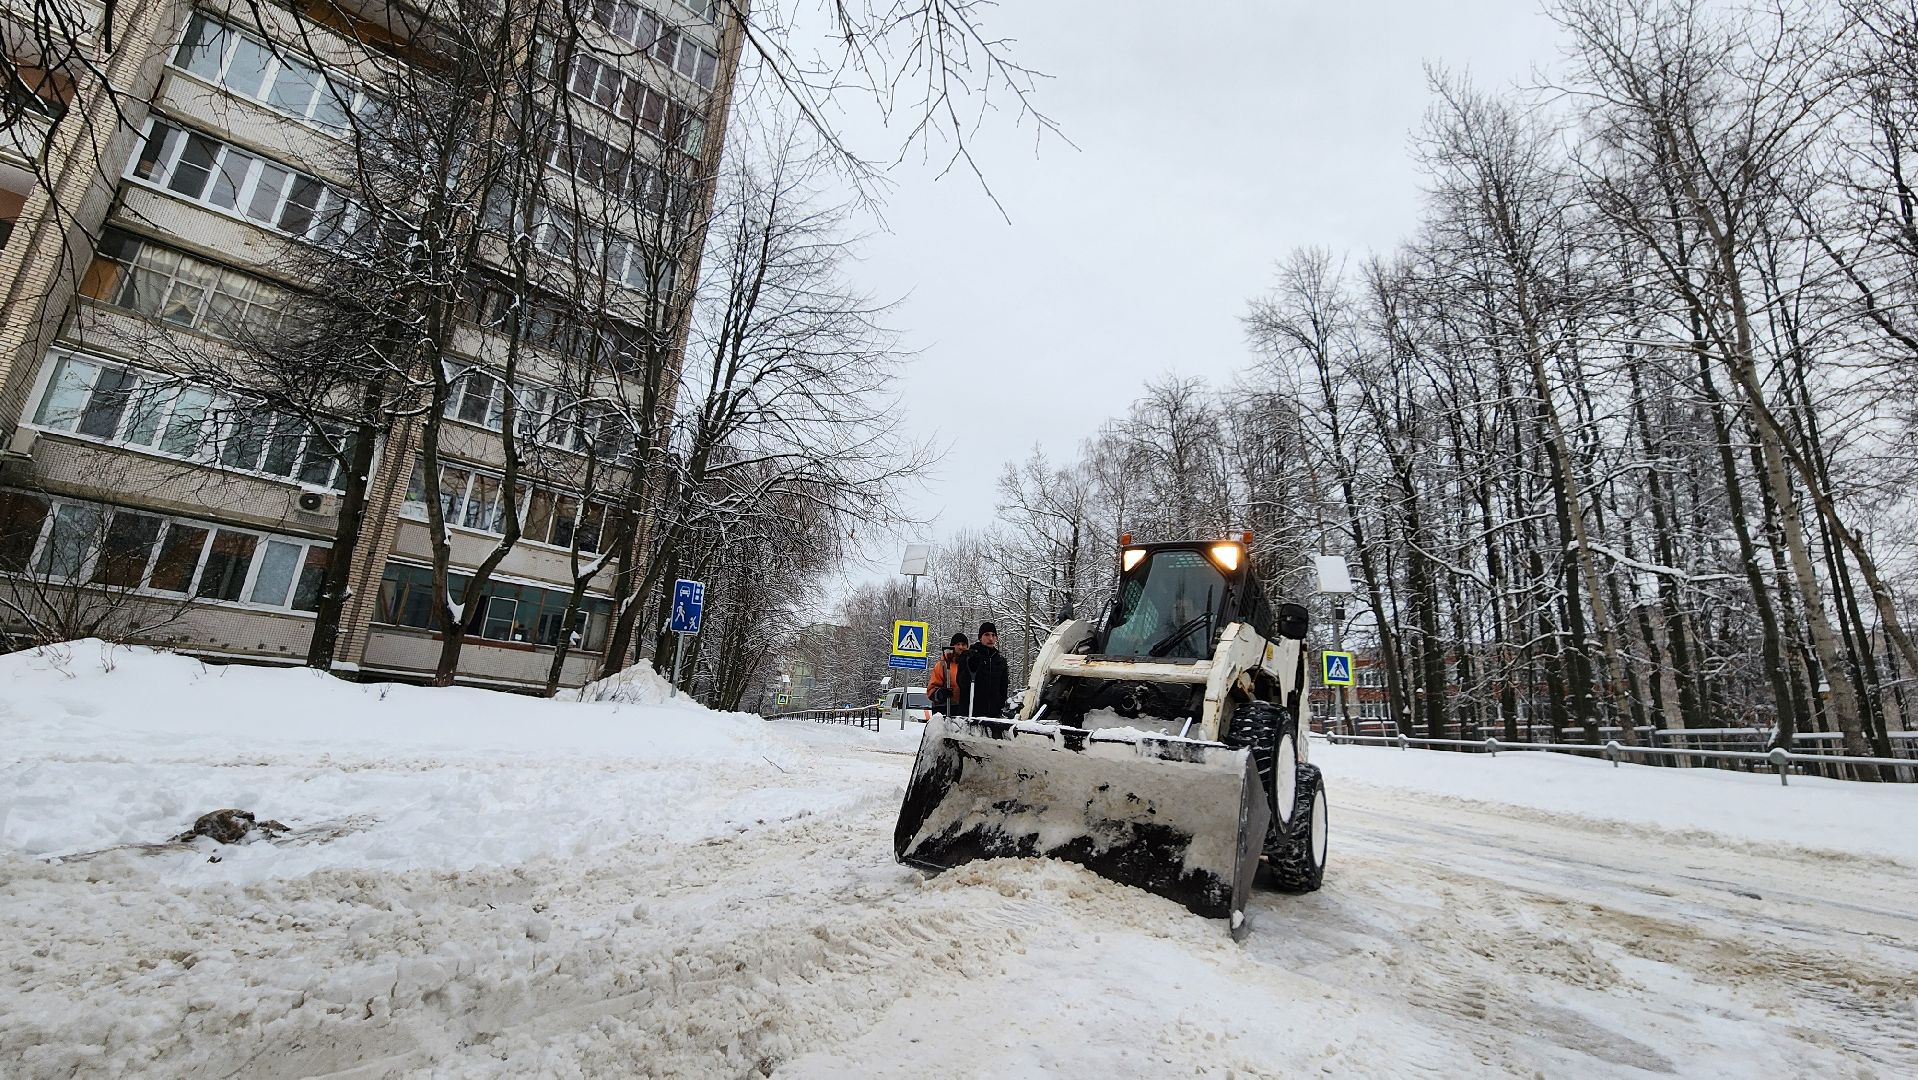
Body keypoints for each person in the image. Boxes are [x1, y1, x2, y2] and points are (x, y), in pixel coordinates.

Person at [958, 621, 1010, 718]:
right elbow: (962, 683)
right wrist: (970, 669)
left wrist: (999, 705)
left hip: (993, 715)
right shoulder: (969, 656)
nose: (990, 638)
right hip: (971, 713)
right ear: (980, 637)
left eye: (993, 635)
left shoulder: (1000, 661)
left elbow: (1003, 688)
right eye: (987, 635)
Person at [926, 633, 967, 715]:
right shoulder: (943, 665)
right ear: (952, 646)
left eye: (963, 644)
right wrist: (940, 693)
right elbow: (931, 691)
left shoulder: (971, 665)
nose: (961, 647)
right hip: (945, 709)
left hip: (964, 709)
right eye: (957, 644)